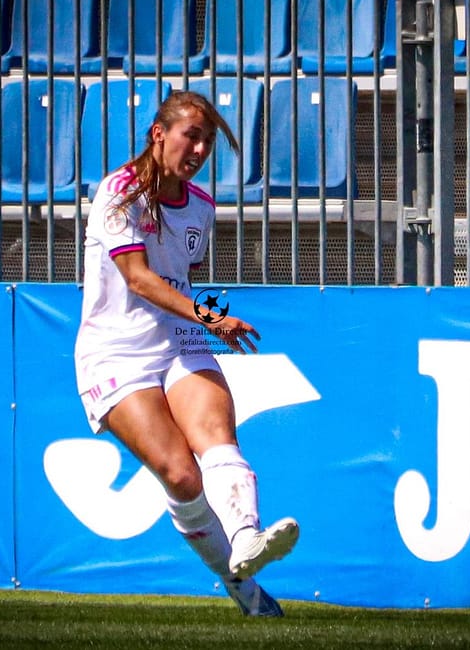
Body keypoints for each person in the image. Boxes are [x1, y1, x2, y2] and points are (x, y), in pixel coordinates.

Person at [73, 90, 299, 617]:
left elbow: (178, 280)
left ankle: (246, 537)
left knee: (216, 438)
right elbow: (140, 280)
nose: (199, 149)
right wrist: (214, 318)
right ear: (160, 134)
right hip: (115, 352)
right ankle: (243, 588)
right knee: (180, 476)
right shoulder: (119, 193)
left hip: (178, 339)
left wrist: (206, 319)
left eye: (208, 141)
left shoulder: (201, 205)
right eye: (190, 136)